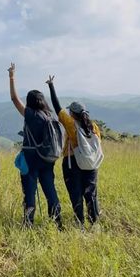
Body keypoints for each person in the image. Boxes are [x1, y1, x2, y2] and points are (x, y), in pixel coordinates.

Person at [8, 63, 62, 227]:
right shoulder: (49, 116)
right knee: (50, 190)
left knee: (30, 192)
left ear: (30, 102)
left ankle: (29, 223)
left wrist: (11, 77)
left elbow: (14, 99)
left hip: (31, 160)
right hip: (47, 159)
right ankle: (57, 221)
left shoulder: (31, 115)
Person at [46, 75, 102, 226]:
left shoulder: (70, 123)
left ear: (72, 113)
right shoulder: (94, 127)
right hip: (91, 164)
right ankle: (94, 223)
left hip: (73, 163)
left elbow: (57, 107)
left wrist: (51, 86)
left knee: (75, 193)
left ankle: (80, 223)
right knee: (91, 193)